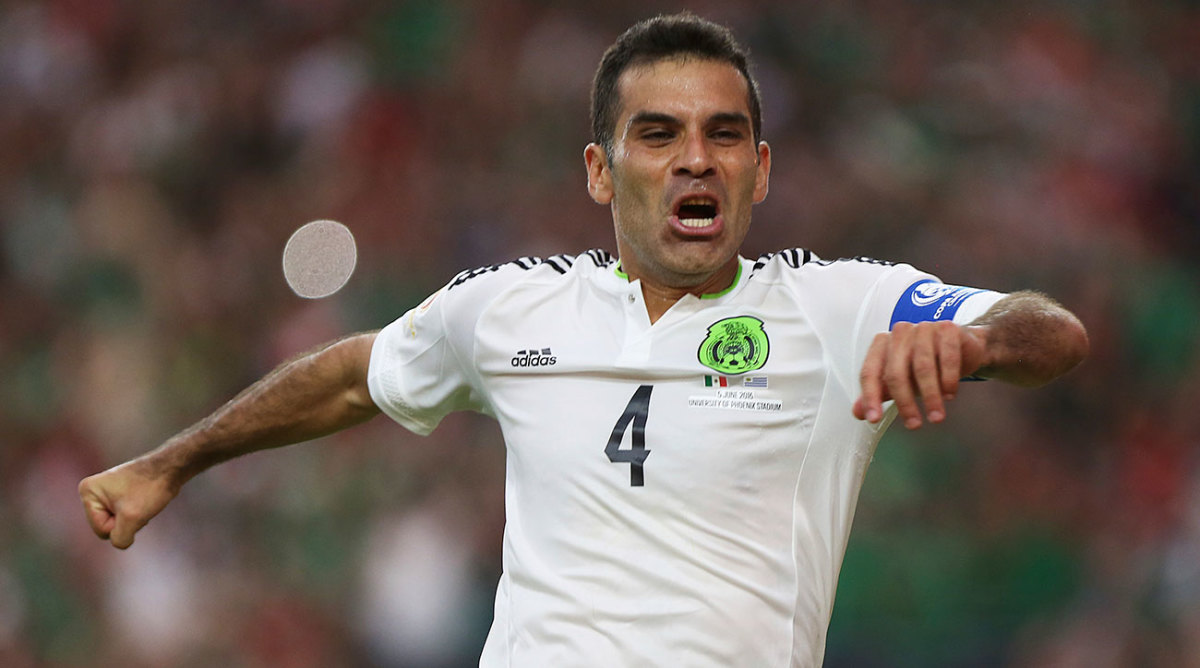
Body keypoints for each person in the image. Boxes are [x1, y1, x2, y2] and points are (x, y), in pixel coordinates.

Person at [79, 12, 1089, 667]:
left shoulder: (837, 305)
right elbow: (354, 374)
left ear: (761, 168)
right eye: (658, 134)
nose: (695, 159)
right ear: (602, 172)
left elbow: (1052, 331)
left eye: (724, 134)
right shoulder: (511, 308)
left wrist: (976, 344)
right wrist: (171, 463)